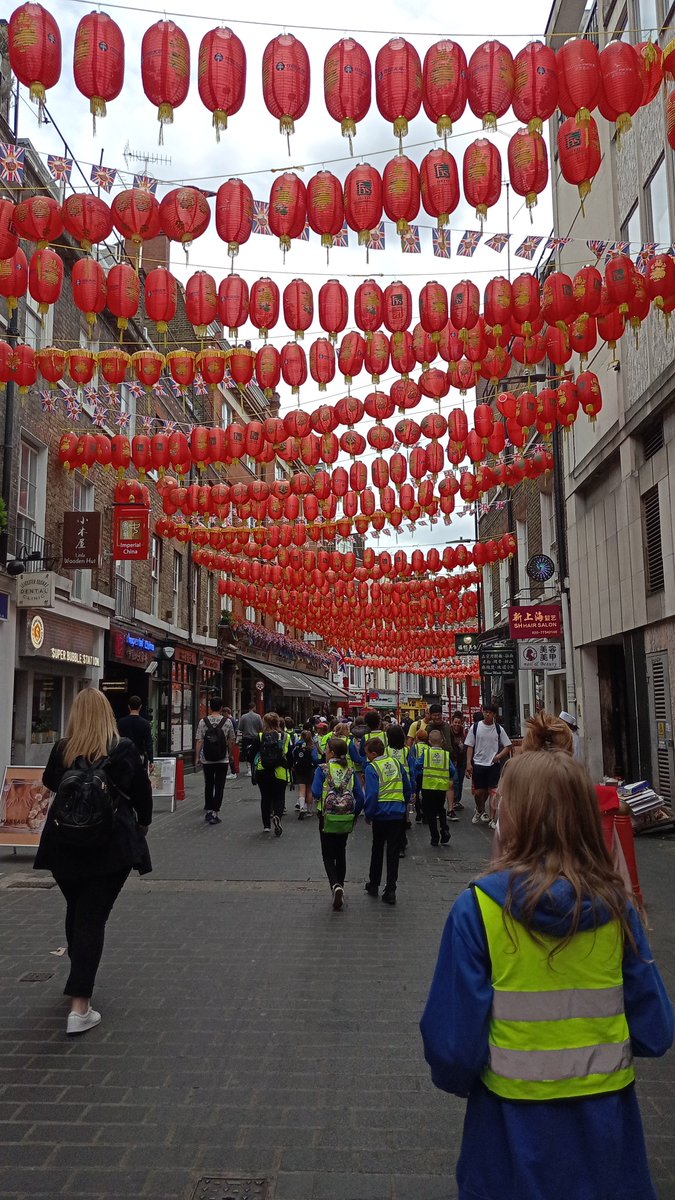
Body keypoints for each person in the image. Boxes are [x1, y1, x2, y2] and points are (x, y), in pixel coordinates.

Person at [420, 749, 674, 1200]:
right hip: (608, 1146)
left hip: (507, 1144)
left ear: (511, 822)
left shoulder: (478, 911)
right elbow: (656, 1031)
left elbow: (453, 1050)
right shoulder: (618, 909)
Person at [34, 688, 152, 1036]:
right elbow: (142, 794)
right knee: (91, 917)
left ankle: (78, 974)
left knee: (77, 909)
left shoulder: (63, 748)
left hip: (63, 845)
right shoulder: (122, 749)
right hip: (109, 847)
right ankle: (80, 1005)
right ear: (107, 715)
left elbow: (49, 782)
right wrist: (142, 825)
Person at [312, 736, 365, 910]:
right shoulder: (350, 771)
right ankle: (340, 885)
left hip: (326, 817)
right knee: (341, 852)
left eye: (327, 749)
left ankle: (335, 885)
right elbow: (360, 797)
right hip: (345, 818)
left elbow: (316, 791)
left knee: (327, 854)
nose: (325, 752)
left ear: (332, 752)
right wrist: (354, 815)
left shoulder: (323, 769)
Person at [364, 736, 410, 905]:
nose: (366, 757)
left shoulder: (372, 767)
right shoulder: (396, 763)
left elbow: (372, 793)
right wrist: (403, 804)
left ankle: (374, 884)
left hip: (380, 814)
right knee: (393, 852)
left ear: (374, 754)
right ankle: (391, 890)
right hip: (397, 813)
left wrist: (368, 813)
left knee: (377, 849)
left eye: (367, 754)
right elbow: (407, 786)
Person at [464, 703, 512, 825]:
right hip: (478, 764)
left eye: (490, 713)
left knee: (493, 792)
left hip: (493, 765)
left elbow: (508, 746)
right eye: (485, 712)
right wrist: (468, 763)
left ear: (494, 715)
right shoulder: (475, 727)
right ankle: (480, 809)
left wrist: (498, 756)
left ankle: (492, 819)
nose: (487, 714)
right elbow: (469, 746)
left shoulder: (498, 729)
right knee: (479, 793)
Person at [195, 696, 235, 826]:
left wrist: (197, 757)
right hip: (222, 759)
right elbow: (231, 740)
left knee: (208, 784)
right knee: (219, 785)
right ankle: (215, 812)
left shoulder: (203, 721)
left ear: (210, 707)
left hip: (207, 759)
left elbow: (199, 740)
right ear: (221, 707)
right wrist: (231, 754)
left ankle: (209, 809)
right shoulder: (227, 722)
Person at [415, 728, 457, 847]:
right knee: (441, 809)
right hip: (441, 787)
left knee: (430, 812)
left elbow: (417, 765)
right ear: (442, 741)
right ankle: (444, 829)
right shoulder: (445, 755)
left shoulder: (426, 754)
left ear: (429, 741)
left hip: (428, 786)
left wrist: (422, 771)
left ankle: (435, 837)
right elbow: (452, 770)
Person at [255, 712, 292, 836]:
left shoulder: (260, 736)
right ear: (278, 722)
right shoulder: (285, 736)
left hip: (262, 770)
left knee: (265, 797)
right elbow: (290, 756)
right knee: (279, 797)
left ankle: (266, 825)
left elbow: (250, 754)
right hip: (280, 771)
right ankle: (277, 816)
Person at [386, 722, 413, 857]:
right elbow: (412, 768)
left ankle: (393, 841)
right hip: (403, 783)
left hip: (389, 785)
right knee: (402, 814)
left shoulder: (386, 751)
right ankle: (401, 843)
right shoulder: (406, 750)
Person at [117, 696, 154, 770]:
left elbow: (117, 740)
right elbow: (148, 743)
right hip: (139, 755)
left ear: (128, 706)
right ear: (140, 707)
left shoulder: (121, 722)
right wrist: (151, 760)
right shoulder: (145, 723)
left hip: (124, 756)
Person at [292, 727, 319, 818]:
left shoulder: (297, 745)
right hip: (310, 769)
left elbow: (293, 754)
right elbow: (315, 759)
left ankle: (302, 807)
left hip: (299, 769)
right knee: (309, 790)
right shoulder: (312, 747)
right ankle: (309, 811)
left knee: (301, 789)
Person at [449, 711, 467, 814]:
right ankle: (454, 800)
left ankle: (457, 801)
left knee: (460, 781)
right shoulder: (449, 733)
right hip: (453, 760)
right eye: (455, 722)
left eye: (458, 723)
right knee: (455, 781)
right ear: (452, 722)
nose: (457, 724)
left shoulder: (463, 734)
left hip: (462, 761)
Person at [238, 702, 263, 775]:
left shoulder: (243, 717)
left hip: (246, 737)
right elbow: (261, 727)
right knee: (256, 752)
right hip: (256, 737)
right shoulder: (258, 716)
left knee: (247, 753)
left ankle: (249, 769)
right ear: (254, 707)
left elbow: (240, 728)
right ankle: (255, 766)